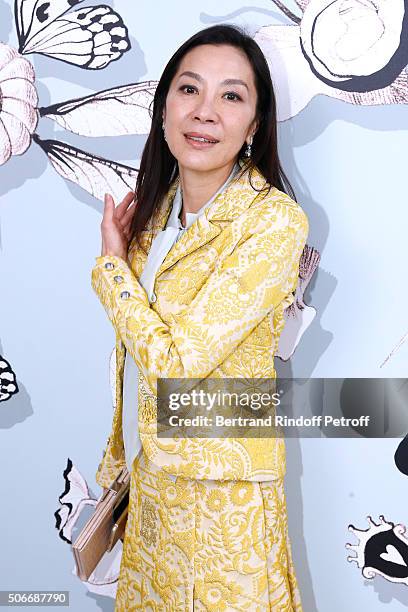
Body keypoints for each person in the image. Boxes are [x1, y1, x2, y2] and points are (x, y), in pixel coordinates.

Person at [91, 23, 309, 611]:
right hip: (152, 491)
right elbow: (135, 367)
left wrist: (111, 272)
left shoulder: (274, 223)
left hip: (225, 506)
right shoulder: (153, 218)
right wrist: (118, 465)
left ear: (254, 127)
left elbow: (176, 366)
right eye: (189, 90)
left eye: (231, 96)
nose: (205, 112)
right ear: (164, 110)